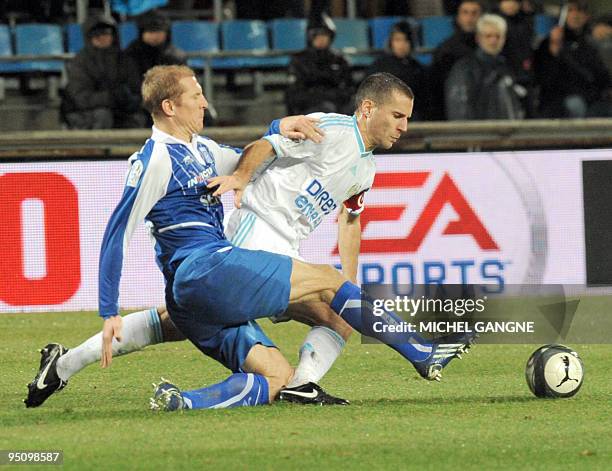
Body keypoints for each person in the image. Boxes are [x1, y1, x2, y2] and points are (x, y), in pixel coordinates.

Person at [28, 66, 474, 412]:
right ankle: (422, 353)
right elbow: (116, 233)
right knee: (327, 284)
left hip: (216, 275)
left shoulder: (205, 150)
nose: (206, 101)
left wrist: (276, 127)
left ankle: (76, 369)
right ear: (169, 107)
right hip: (232, 250)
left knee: (277, 351)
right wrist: (108, 308)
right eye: (196, 95)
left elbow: (255, 150)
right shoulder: (156, 160)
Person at [61, 14, 144, 129]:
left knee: (138, 117)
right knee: (103, 115)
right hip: (83, 112)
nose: (103, 38)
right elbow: (81, 98)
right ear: (89, 37)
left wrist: (129, 99)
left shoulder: (124, 59)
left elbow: (135, 88)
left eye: (107, 33)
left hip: (118, 110)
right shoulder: (80, 62)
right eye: (97, 35)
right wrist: (111, 97)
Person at [533, 0, 611, 118]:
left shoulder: (589, 44)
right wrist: (554, 51)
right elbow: (545, 78)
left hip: (591, 98)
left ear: (586, 17)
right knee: (575, 105)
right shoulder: (549, 43)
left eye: (579, 11)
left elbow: (600, 74)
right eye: (570, 11)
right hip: (560, 100)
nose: (575, 15)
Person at [445, 14, 525, 120]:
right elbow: (460, 111)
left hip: (505, 133)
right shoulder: (464, 69)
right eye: (488, 36)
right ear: (478, 38)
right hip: (481, 134)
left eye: (498, 36)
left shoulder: (506, 68)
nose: (493, 41)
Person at [286, 15, 354, 115]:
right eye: (317, 35)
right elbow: (294, 95)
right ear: (310, 37)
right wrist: (320, 97)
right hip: (309, 108)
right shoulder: (298, 60)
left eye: (325, 35)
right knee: (326, 109)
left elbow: (349, 88)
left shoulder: (340, 60)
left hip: (338, 106)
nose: (322, 39)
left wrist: (333, 97)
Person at [428, 0, 483, 120]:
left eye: (474, 13)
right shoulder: (445, 50)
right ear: (458, 17)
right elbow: (435, 90)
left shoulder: (487, 48)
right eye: (465, 13)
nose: (470, 18)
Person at [367, 21, 428, 121]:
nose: (402, 44)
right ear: (391, 42)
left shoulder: (418, 69)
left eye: (406, 40)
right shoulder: (378, 67)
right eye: (397, 40)